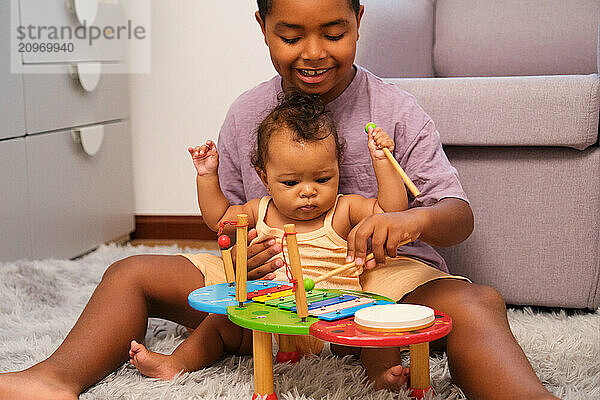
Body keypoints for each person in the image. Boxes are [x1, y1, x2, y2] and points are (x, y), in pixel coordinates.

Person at [0, 0, 560, 399]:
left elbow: (457, 217)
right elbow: (231, 222)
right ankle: (55, 377)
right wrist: (240, 251)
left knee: (477, 302)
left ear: (360, 22)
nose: (313, 53)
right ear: (262, 27)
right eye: (291, 36)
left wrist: (410, 223)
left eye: (334, 33)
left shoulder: (397, 112)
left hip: (379, 282)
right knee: (130, 272)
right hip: (275, 287)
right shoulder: (248, 115)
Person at [129, 90, 429, 386]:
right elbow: (219, 219)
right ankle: (176, 363)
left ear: (338, 167)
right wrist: (207, 176)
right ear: (264, 179)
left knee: (377, 325)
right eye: (291, 182)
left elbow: (391, 211)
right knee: (219, 323)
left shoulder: (343, 210)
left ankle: (380, 376)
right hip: (270, 323)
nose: (308, 190)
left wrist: (381, 160)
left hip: (336, 324)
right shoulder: (257, 211)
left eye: (322, 179)